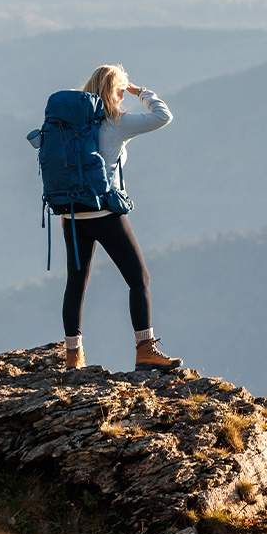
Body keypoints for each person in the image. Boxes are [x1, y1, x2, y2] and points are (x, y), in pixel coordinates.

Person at [61, 63, 183, 373]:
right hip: (105, 214)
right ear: (114, 91)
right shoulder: (116, 122)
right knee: (139, 278)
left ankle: (73, 357)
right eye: (121, 90)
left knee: (76, 284)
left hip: (73, 215)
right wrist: (140, 91)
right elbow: (163, 116)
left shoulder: (72, 124)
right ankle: (145, 352)